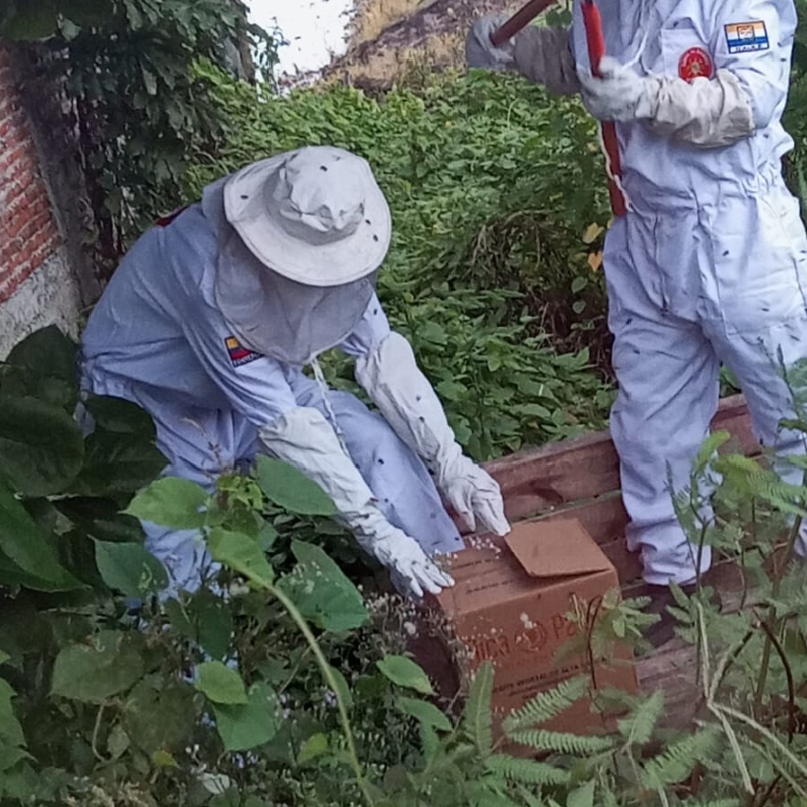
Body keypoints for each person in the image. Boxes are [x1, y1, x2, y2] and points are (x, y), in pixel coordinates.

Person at [466, 0, 807, 637]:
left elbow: (745, 102)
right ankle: (677, 586)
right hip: (645, 235)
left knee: (793, 408)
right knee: (652, 424)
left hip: (739, 233)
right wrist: (511, 50)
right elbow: (578, 63)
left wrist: (650, 97)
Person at [81, 145, 509, 597]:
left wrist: (451, 461)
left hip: (246, 390)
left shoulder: (332, 238)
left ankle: (456, 585)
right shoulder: (204, 270)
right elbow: (286, 423)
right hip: (150, 406)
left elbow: (380, 354)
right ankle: (186, 640)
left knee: (376, 445)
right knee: (176, 572)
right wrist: (375, 530)